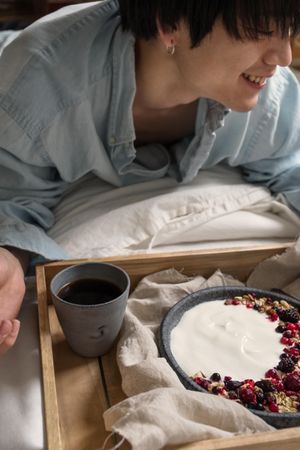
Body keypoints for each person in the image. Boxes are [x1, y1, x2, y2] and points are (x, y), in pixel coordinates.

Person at [0, 0, 300, 356]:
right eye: (261, 31)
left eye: (290, 30)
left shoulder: (272, 95)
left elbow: (291, 170)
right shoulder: (37, 85)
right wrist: (10, 259)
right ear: (169, 22)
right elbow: (14, 199)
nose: (283, 56)